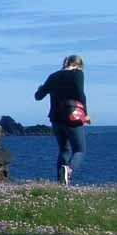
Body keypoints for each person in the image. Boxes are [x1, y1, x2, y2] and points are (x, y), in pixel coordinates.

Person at [35, 54, 89, 185]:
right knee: (79, 150)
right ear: (78, 65)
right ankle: (69, 169)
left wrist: (41, 88)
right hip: (72, 117)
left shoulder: (53, 76)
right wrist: (85, 114)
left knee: (64, 149)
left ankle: (61, 182)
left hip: (56, 118)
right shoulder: (77, 74)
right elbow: (80, 94)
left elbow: (38, 96)